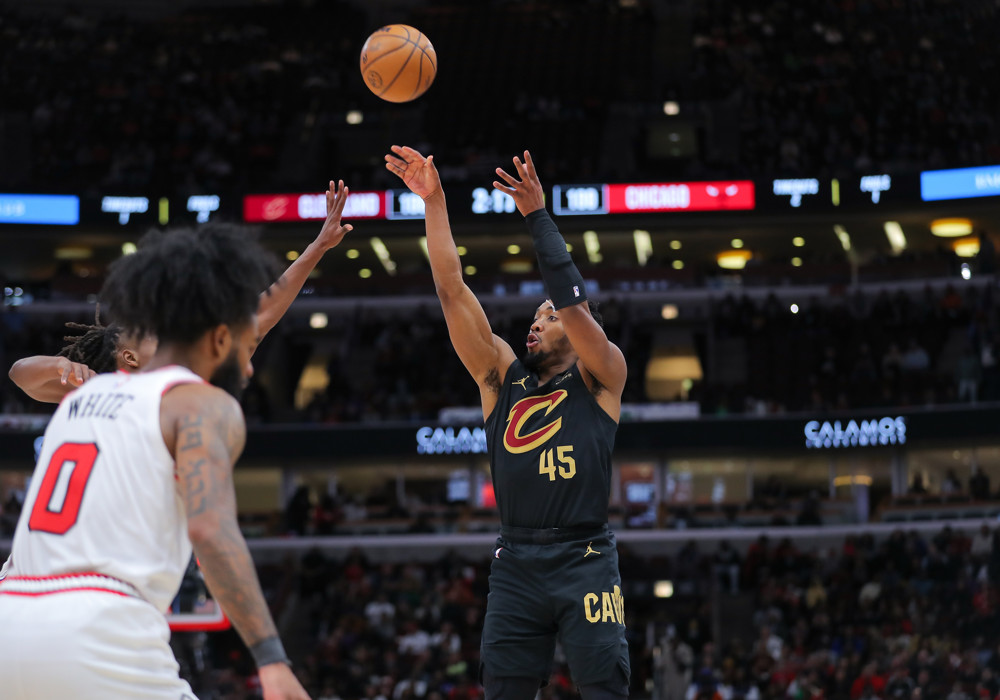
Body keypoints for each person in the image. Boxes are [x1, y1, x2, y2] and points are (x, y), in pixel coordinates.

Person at [0, 219, 346, 697]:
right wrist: (270, 657)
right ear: (215, 339)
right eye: (243, 349)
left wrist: (316, 248)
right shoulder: (198, 404)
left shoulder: (79, 401)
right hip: (99, 626)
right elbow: (209, 529)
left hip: (10, 618)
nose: (249, 366)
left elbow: (260, 315)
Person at [386, 146, 629, 700]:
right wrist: (434, 201)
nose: (535, 323)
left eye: (548, 316)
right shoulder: (501, 377)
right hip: (515, 559)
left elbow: (571, 303)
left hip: (585, 557)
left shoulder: (603, 376)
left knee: (604, 689)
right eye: (536, 316)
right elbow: (452, 289)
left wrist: (537, 217)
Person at [8, 180, 354, 404]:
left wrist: (319, 246)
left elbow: (262, 312)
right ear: (130, 358)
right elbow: (21, 373)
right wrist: (59, 365)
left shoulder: (191, 371)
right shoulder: (103, 392)